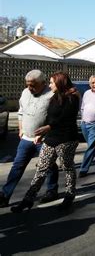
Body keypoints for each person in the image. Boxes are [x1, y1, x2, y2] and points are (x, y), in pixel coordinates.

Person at [12, 72, 81, 212]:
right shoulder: (54, 96)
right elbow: (49, 117)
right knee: (41, 169)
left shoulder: (72, 98)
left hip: (66, 139)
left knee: (67, 167)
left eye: (51, 83)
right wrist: (42, 133)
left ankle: (69, 195)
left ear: (60, 83)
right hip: (51, 138)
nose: (49, 85)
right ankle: (28, 199)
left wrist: (48, 127)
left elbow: (66, 118)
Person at [0, 70, 59, 208]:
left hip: (44, 140)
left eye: (33, 85)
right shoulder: (25, 93)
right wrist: (20, 128)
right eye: (28, 85)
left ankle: (52, 190)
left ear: (42, 83)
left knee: (49, 165)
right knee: (17, 166)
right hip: (26, 138)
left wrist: (45, 133)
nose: (30, 88)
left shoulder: (51, 95)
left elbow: (55, 119)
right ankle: (5, 195)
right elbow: (21, 112)